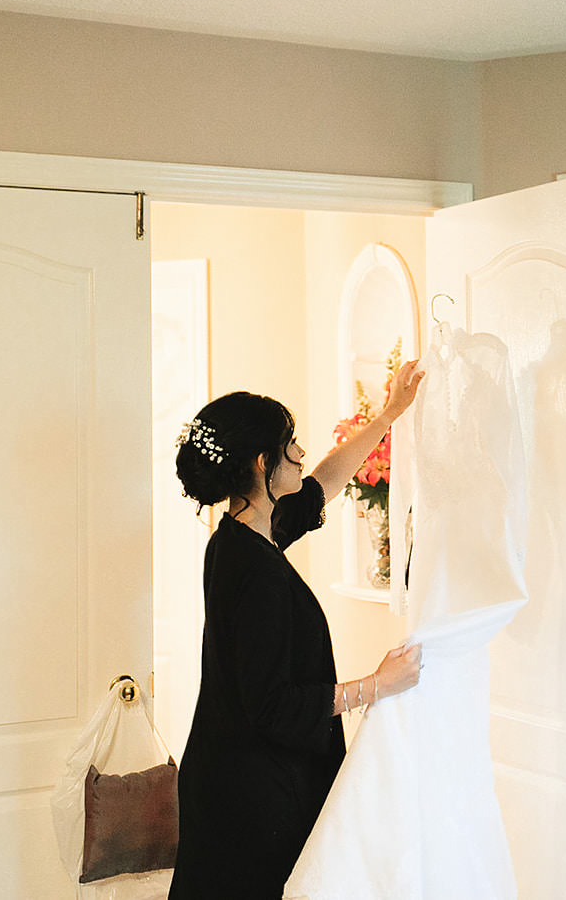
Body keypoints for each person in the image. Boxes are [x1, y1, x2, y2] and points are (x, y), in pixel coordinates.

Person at [168, 369, 425, 900]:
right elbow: (273, 707)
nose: (302, 453)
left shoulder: (242, 533)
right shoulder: (252, 568)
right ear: (263, 464)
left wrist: (388, 415)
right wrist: (377, 684)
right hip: (250, 797)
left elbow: (322, 486)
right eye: (290, 445)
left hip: (231, 775)